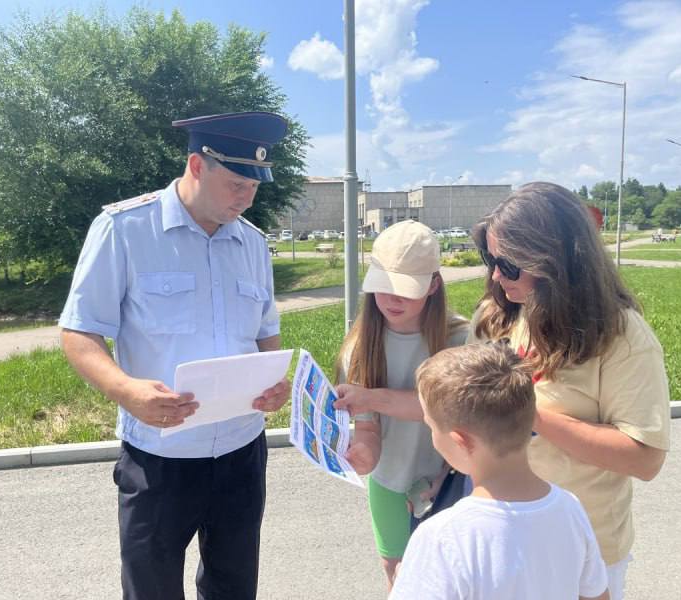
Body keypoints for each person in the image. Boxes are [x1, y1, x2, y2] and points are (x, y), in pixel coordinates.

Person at [59, 111, 291, 600]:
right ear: (197, 165)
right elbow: (79, 333)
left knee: (234, 587)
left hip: (241, 453)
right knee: (152, 590)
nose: (246, 198)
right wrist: (126, 390)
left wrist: (276, 381)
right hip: (160, 457)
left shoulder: (252, 244)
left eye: (254, 187)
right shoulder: (124, 229)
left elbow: (265, 331)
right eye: (235, 184)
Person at [468, 182, 670, 599]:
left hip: (584, 551)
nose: (494, 274)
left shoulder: (624, 336)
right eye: (491, 259)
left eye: (507, 264)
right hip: (507, 533)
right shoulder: (510, 314)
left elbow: (644, 458)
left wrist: (532, 415)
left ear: (555, 261)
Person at [390, 343, 610, 600]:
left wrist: (402, 584)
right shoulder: (570, 509)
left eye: (432, 426)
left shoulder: (442, 537)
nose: (433, 437)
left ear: (461, 442)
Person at [332, 219, 469, 588]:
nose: (392, 299)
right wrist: (364, 452)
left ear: (434, 286)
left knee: (452, 580)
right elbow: (368, 425)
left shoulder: (462, 338)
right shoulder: (359, 347)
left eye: (406, 290)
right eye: (384, 287)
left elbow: (446, 409)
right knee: (399, 574)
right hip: (388, 480)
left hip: (452, 478)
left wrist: (443, 477)